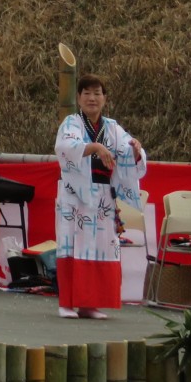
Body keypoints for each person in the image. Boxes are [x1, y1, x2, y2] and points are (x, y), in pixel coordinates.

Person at [53, 74, 146, 319]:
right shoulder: (71, 123)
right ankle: (66, 303)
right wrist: (94, 147)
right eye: (87, 93)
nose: (92, 98)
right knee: (72, 247)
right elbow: (65, 148)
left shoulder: (112, 127)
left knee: (101, 249)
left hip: (103, 196)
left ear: (104, 98)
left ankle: (89, 304)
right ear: (79, 98)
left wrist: (135, 150)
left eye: (97, 93)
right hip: (75, 196)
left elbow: (127, 151)